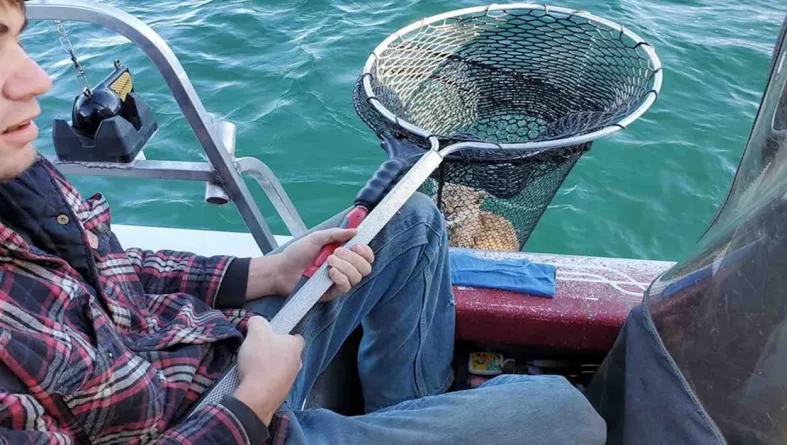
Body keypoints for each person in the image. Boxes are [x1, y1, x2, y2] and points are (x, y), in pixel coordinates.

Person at [0, 1, 606, 443]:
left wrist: (268, 272)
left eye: (16, 38)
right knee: (567, 414)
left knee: (414, 222)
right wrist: (252, 400)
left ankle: (409, 408)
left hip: (216, 350)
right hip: (229, 424)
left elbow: (116, 270)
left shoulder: (17, 174)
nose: (36, 78)